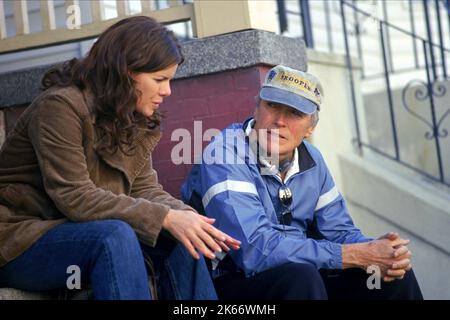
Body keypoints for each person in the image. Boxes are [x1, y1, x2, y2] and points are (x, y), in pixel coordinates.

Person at [0, 16, 240, 300]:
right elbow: (75, 196)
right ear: (125, 72)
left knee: (183, 238)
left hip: (82, 230)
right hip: (20, 240)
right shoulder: (60, 107)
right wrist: (165, 217)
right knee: (115, 235)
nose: (167, 91)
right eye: (159, 79)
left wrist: (186, 218)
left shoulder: (132, 116)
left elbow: (144, 189)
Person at [181, 65, 423, 300]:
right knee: (301, 277)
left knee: (392, 277)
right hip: (229, 283)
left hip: (301, 275)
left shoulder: (313, 159)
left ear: (311, 128)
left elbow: (338, 232)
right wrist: (354, 254)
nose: (280, 121)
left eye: (295, 113)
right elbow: (255, 250)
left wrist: (378, 251)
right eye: (273, 105)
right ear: (256, 108)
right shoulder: (224, 154)